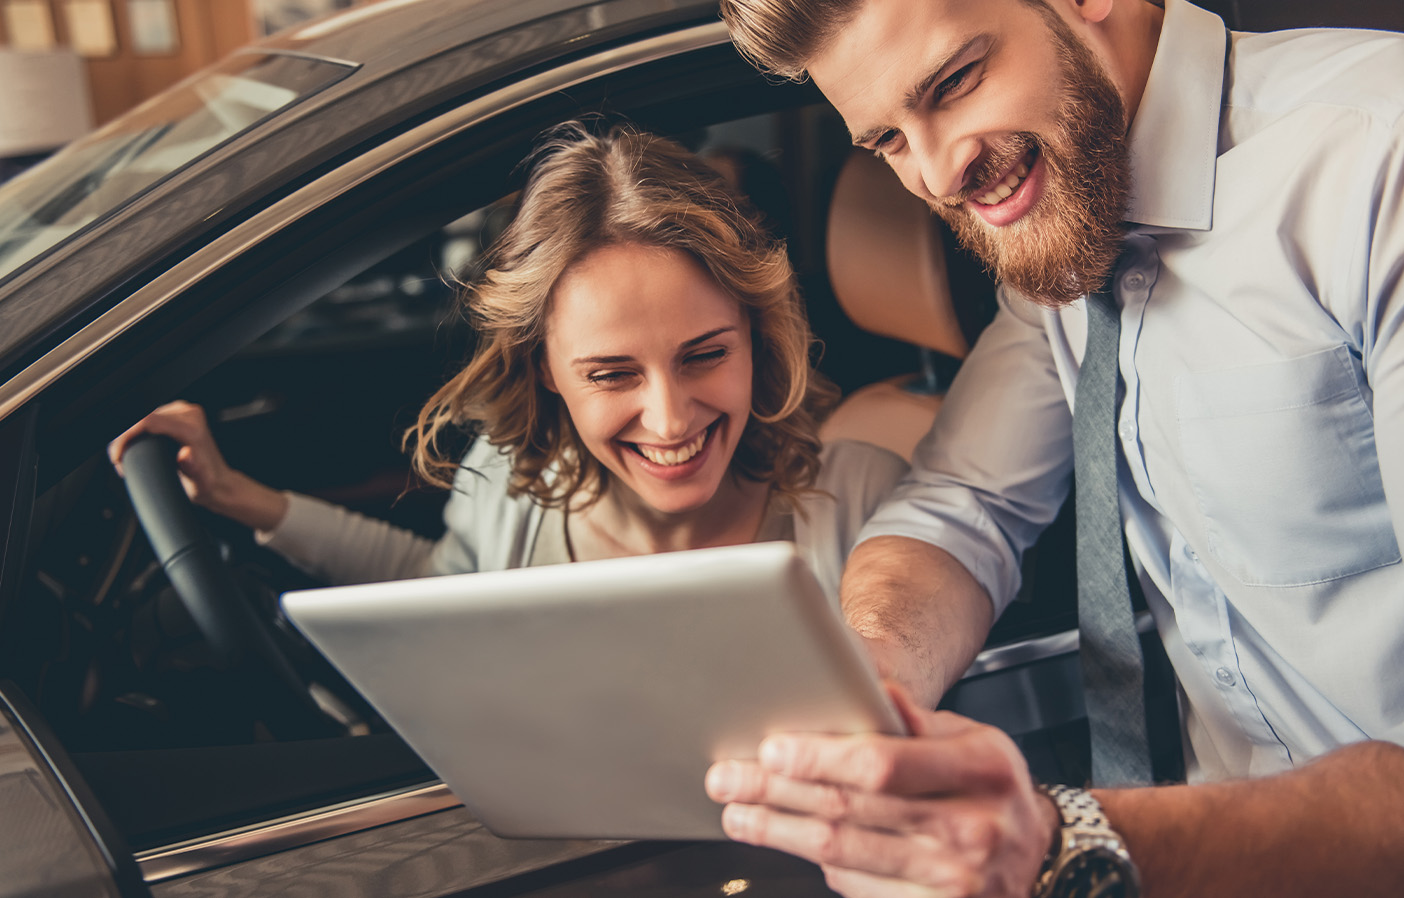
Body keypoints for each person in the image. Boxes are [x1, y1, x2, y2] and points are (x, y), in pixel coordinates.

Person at [706, 0, 1404, 895]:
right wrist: (873, 677)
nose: (939, 175)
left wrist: (1059, 839)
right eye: (888, 140)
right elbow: (963, 507)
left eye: (955, 82)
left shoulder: (1375, 163)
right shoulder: (1067, 225)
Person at [109, 122, 908, 605]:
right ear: (545, 368)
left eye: (705, 355)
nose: (669, 419)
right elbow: (445, 593)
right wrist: (239, 498)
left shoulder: (863, 506)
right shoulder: (508, 485)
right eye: (611, 374)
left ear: (756, 336)